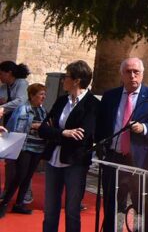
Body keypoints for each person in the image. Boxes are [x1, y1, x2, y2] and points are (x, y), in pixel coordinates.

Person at [96, 58, 148, 232]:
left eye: (136, 72)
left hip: (141, 161)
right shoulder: (110, 96)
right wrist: (101, 150)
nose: (132, 75)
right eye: (128, 72)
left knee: (142, 206)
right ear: (122, 74)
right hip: (114, 158)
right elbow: (102, 124)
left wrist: (144, 128)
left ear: (142, 74)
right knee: (113, 204)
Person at [39, 60, 100, 232]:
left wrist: (55, 131)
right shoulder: (61, 101)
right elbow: (43, 129)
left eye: (66, 77)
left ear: (76, 80)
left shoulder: (92, 104)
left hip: (75, 163)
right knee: (50, 208)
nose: (63, 80)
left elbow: (82, 136)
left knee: (72, 210)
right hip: (53, 160)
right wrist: (63, 133)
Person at [0, 83, 46, 217]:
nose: (43, 97)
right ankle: (4, 202)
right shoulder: (23, 109)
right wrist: (35, 126)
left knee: (28, 176)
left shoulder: (42, 110)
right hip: (25, 147)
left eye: (44, 94)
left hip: (38, 147)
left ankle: (19, 204)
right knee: (20, 175)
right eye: (40, 94)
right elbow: (15, 127)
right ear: (32, 95)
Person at [0, 61, 31, 202]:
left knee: (22, 161)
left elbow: (21, 101)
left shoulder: (21, 84)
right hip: (7, 126)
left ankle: (25, 193)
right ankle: (7, 191)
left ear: (9, 73)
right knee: (9, 160)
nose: (0, 77)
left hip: (21, 127)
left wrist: (3, 107)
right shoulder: (3, 87)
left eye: (1, 73)